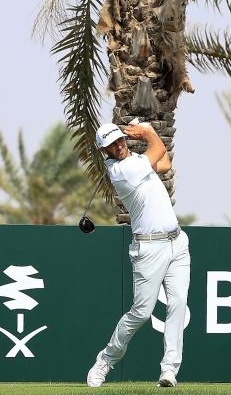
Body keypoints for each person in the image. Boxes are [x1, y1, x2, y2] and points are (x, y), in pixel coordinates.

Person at [86, 120, 191, 388]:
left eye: (120, 140)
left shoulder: (137, 161)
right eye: (111, 145)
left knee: (178, 304)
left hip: (177, 242)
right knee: (142, 312)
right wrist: (148, 132)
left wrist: (149, 138)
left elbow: (164, 163)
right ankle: (106, 359)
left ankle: (169, 370)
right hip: (149, 248)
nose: (118, 146)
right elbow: (157, 151)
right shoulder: (122, 170)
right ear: (104, 151)